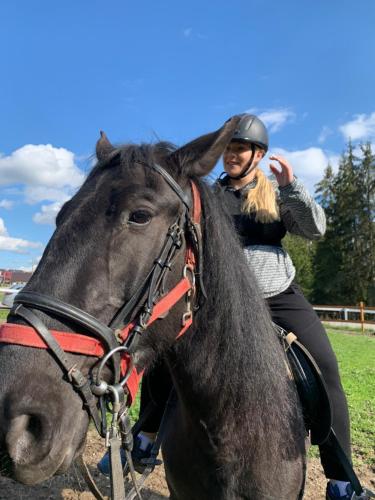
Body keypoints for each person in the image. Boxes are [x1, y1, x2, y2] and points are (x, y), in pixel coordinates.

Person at [98, 114, 371, 500]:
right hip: (218, 300)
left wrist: (291, 186)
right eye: (228, 147)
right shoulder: (209, 195)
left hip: (275, 293)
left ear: (258, 154)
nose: (231, 155)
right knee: (165, 354)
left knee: (325, 368)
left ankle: (342, 478)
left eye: (240, 148)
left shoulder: (276, 194)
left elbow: (315, 229)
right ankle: (145, 439)